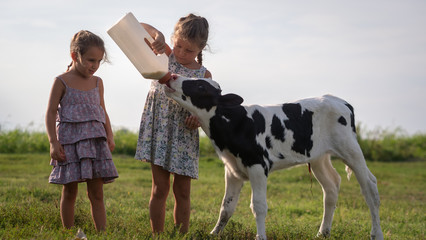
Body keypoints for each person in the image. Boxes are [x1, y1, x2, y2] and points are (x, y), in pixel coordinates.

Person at [135, 14, 212, 234]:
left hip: (184, 135)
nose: (181, 53)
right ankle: (157, 236)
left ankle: (181, 235)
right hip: (158, 130)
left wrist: (197, 119)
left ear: (201, 48)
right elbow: (138, 26)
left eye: (189, 51)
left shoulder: (204, 75)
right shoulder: (164, 56)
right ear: (173, 40)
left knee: (183, 192)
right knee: (159, 189)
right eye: (178, 46)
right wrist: (157, 35)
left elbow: (205, 110)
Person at [45, 30, 118, 231]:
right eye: (90, 60)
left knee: (97, 194)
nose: (94, 66)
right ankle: (69, 232)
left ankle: (102, 233)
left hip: (95, 143)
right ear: (74, 56)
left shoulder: (97, 82)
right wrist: (53, 141)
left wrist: (109, 135)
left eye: (99, 61)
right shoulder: (61, 81)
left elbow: (102, 110)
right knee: (69, 192)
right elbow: (51, 113)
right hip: (69, 145)